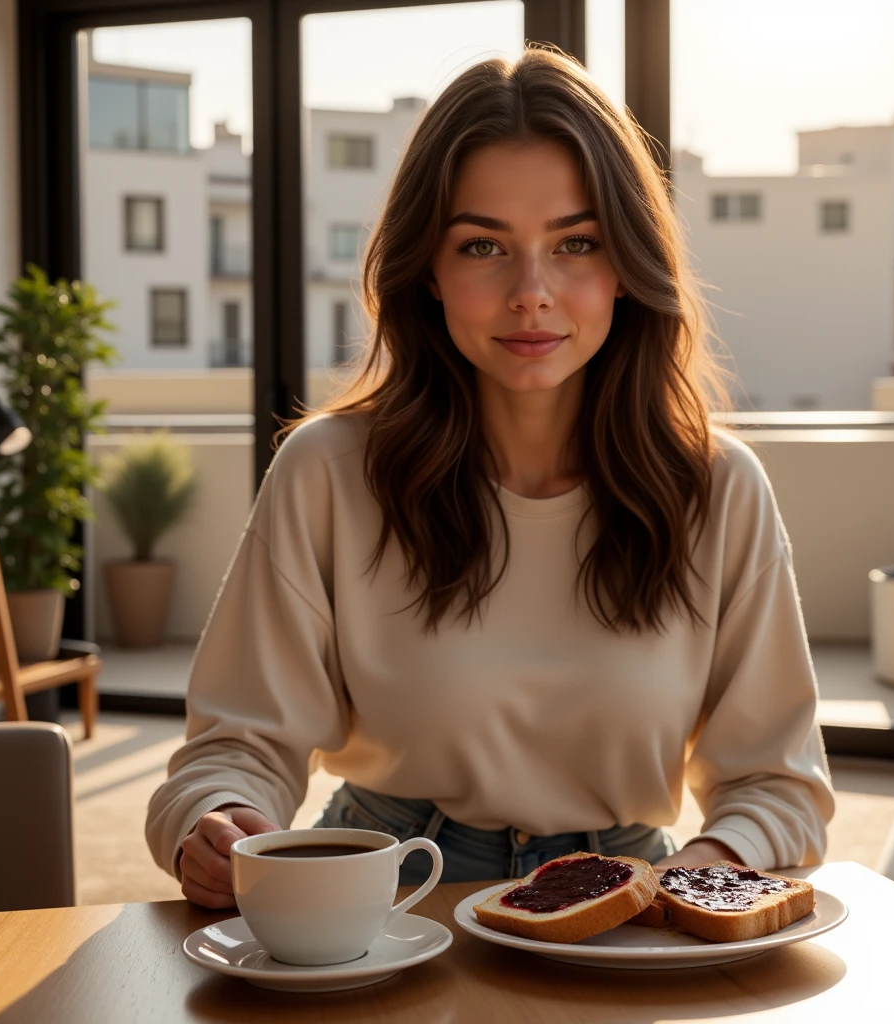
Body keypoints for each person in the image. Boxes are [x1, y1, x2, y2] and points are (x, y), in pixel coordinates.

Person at [146, 47, 835, 910]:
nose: (532, 293)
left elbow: (780, 784)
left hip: (629, 904)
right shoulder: (324, 472)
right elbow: (234, 748)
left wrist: (701, 870)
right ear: (428, 270)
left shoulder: (719, 489)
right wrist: (215, 820)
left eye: (576, 243)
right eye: (484, 245)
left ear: (626, 263)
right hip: (380, 893)